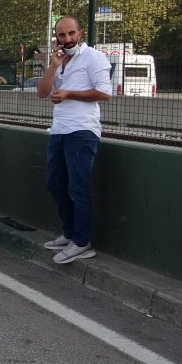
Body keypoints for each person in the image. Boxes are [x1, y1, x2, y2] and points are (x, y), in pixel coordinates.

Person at [37, 16, 112, 264]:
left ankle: (82, 241)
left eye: (71, 34)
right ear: (56, 37)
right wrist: (52, 66)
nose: (67, 39)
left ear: (80, 33)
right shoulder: (59, 61)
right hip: (59, 130)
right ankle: (69, 233)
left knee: (78, 188)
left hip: (82, 131)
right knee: (55, 184)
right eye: (61, 35)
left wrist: (70, 93)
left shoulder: (94, 57)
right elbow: (41, 93)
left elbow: (104, 92)